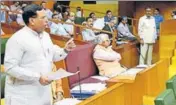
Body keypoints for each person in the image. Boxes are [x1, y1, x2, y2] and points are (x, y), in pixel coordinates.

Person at [4, 4, 76, 105]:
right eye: (43, 17)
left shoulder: (45, 36)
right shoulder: (17, 39)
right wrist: (37, 77)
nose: (47, 20)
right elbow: (10, 68)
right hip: (23, 96)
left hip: (43, 92)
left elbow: (51, 55)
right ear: (32, 21)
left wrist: (65, 50)